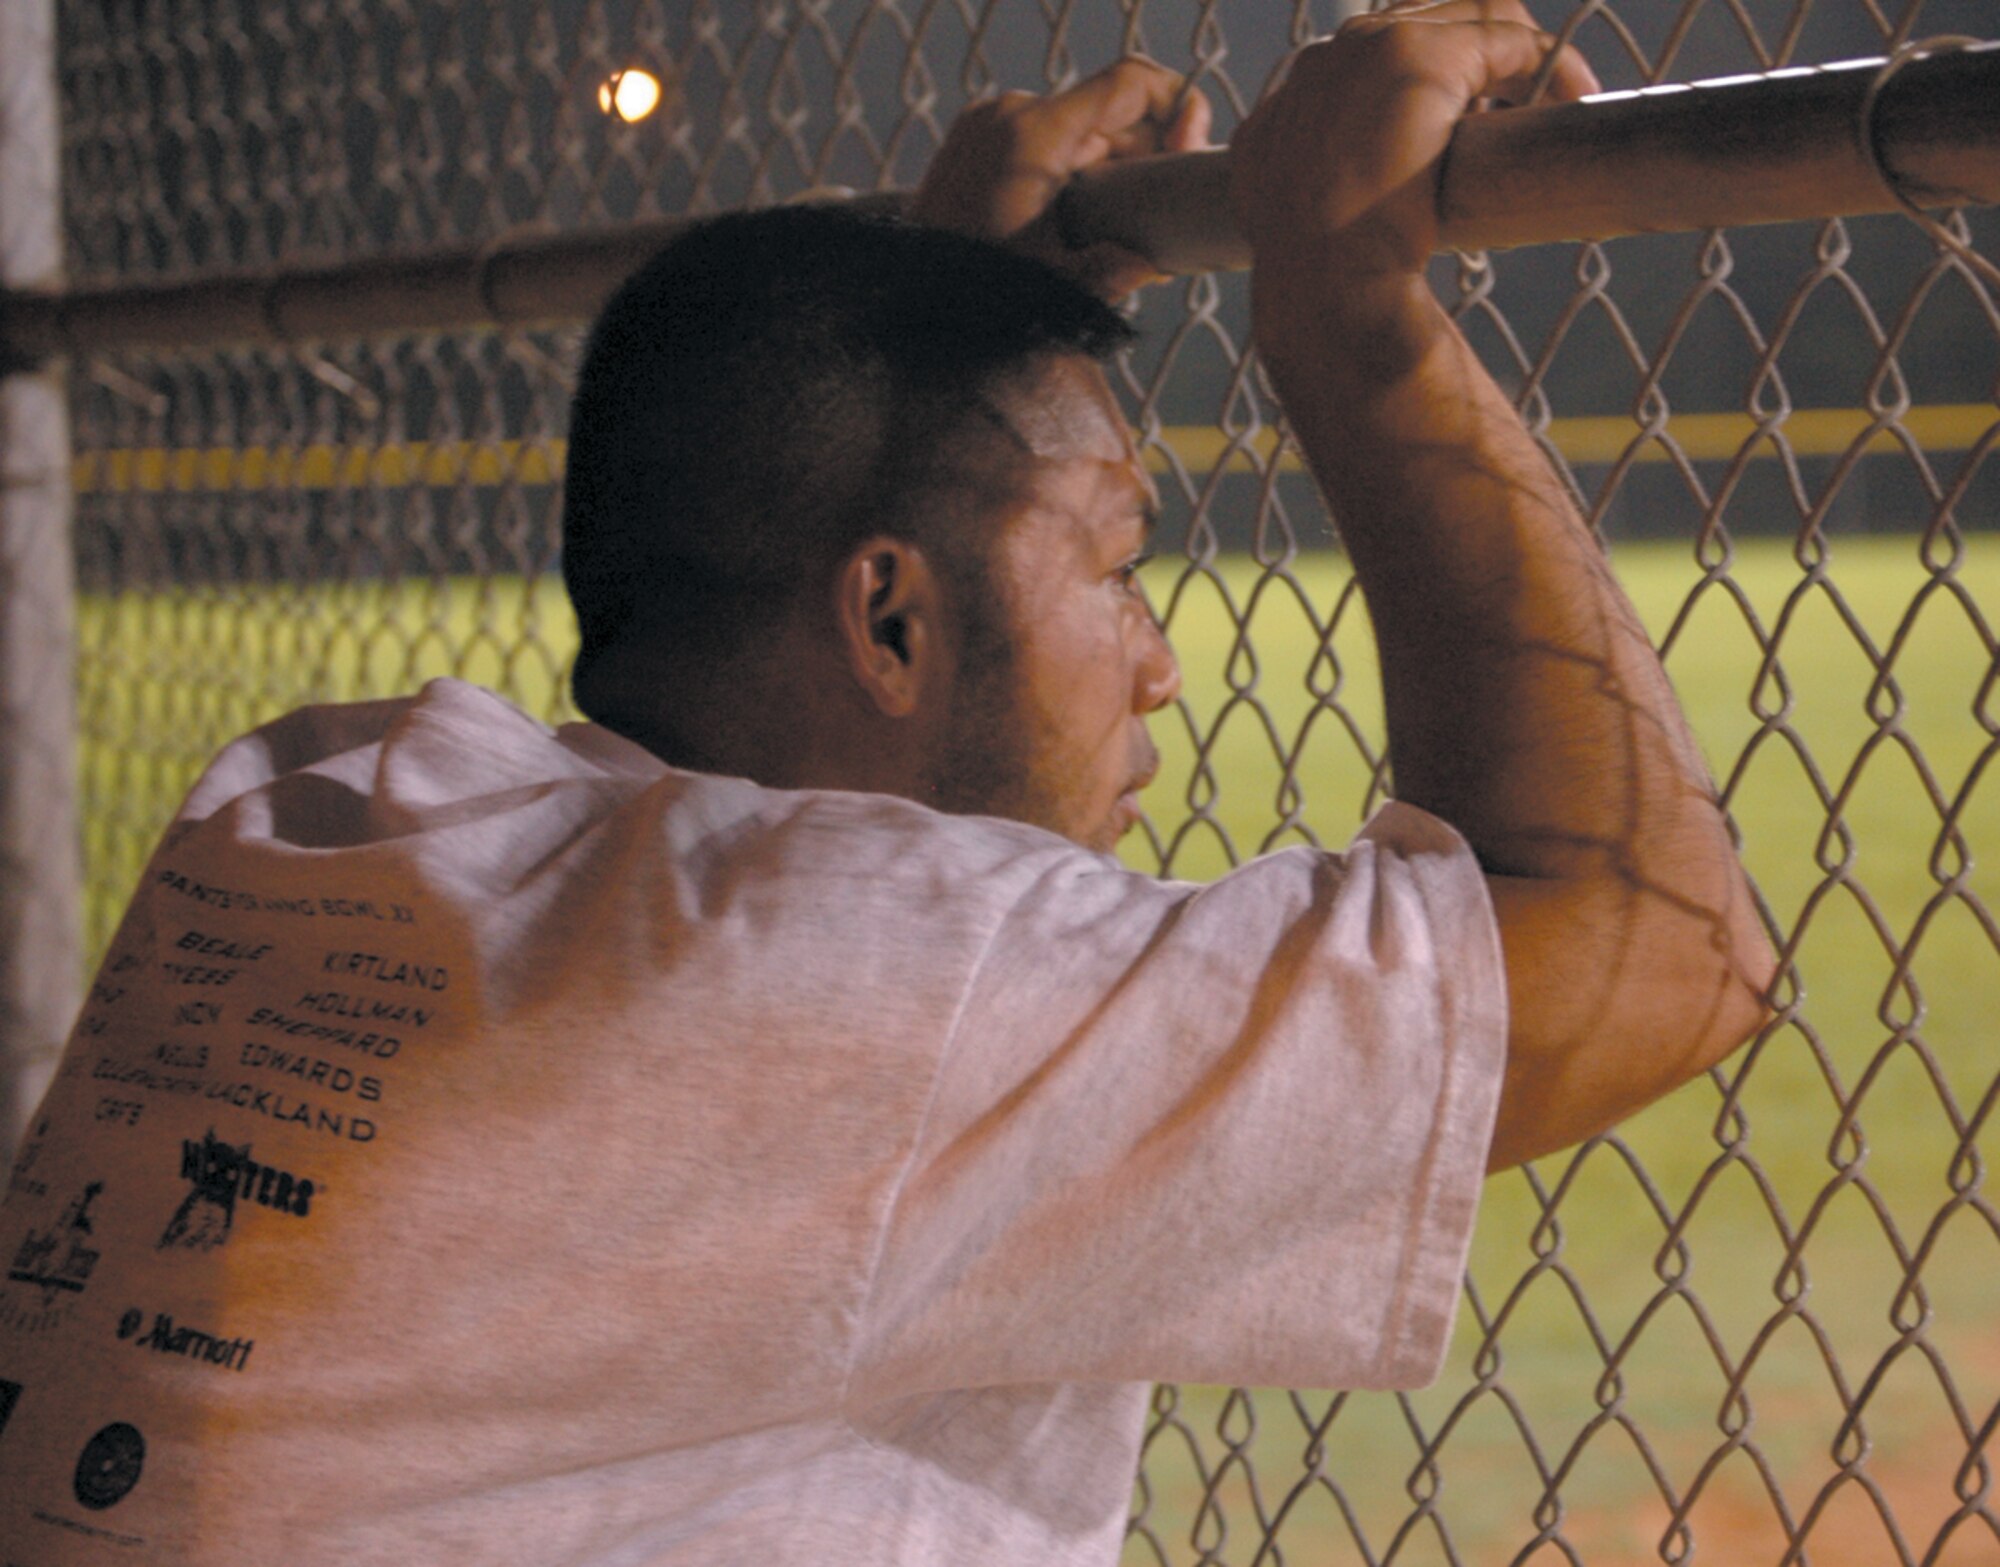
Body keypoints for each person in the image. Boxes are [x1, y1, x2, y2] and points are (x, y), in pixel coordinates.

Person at [0, 5, 1772, 1563]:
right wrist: (1347, 309)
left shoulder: (320, 805)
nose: (1160, 660)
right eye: (1115, 568)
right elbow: (1658, 944)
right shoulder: (843, 973)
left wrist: (937, 341)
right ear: (890, 619)